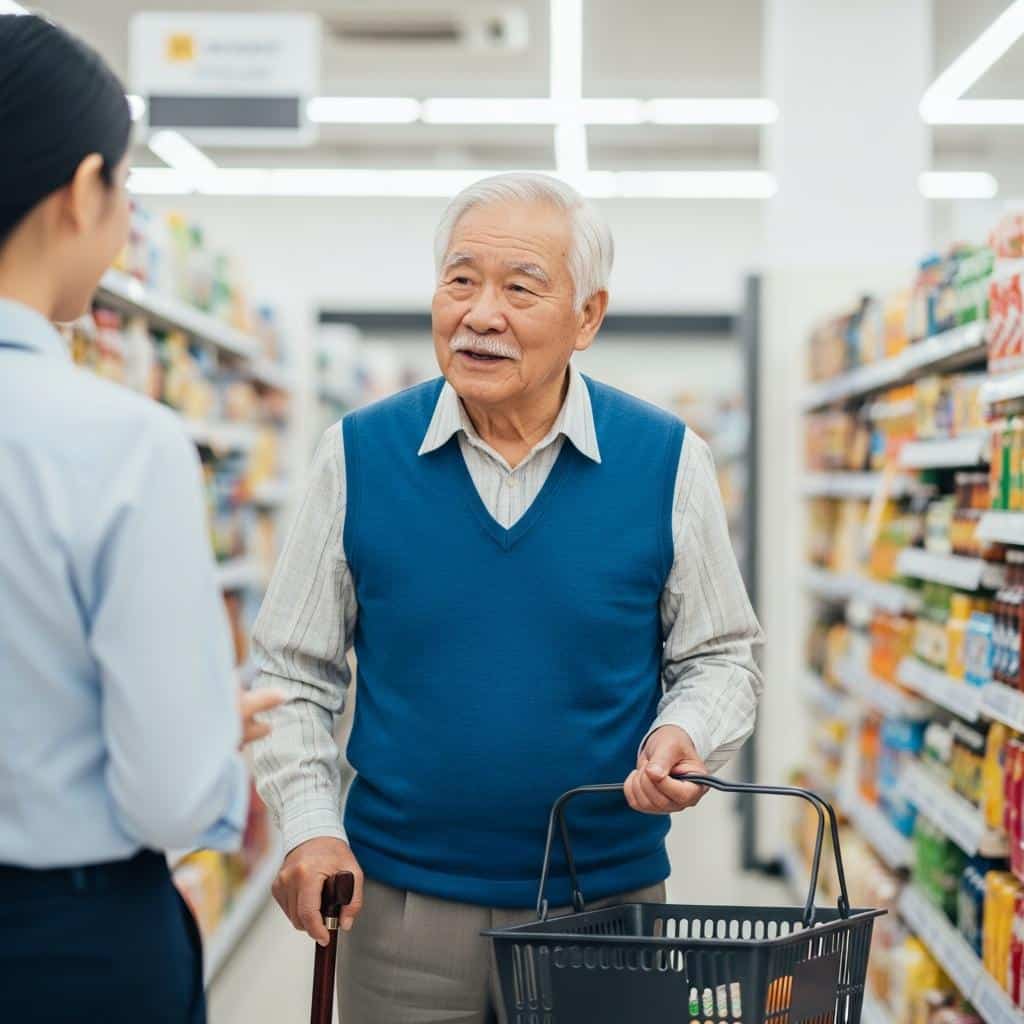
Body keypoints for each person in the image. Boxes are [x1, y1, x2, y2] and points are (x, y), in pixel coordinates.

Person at [252, 171, 764, 1023]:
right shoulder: (358, 455)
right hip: (400, 908)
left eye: (520, 288)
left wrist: (686, 731)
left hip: (607, 904)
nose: (479, 313)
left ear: (588, 317)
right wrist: (310, 825)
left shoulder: (669, 462)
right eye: (460, 280)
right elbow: (290, 674)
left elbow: (720, 656)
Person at [0, 14, 281, 1024]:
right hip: (61, 942)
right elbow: (168, 793)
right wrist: (214, 741)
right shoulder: (117, 440)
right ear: (82, 194)